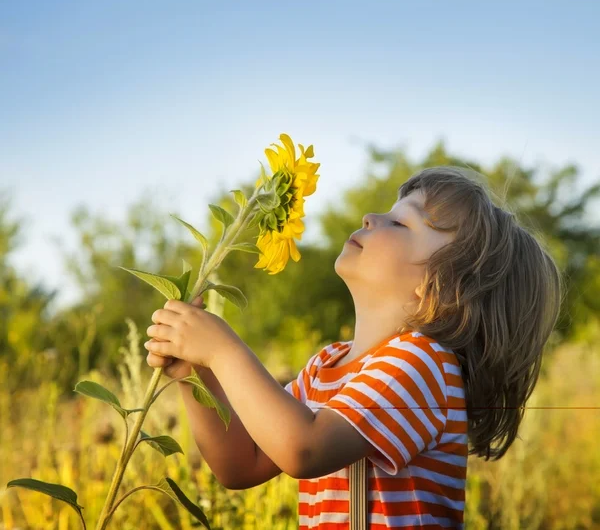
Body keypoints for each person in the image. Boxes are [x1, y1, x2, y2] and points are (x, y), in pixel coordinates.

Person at [144, 166, 563, 529]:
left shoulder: (423, 365)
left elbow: (304, 450)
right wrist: (195, 374)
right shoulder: (326, 366)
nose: (370, 216)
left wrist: (223, 351)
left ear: (440, 289)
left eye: (401, 224)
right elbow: (241, 464)